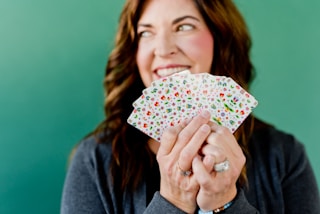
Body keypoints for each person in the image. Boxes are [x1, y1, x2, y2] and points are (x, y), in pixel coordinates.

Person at [60, 0, 320, 213]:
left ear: (220, 37)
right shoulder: (95, 161)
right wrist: (173, 202)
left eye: (184, 27)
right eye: (146, 32)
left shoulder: (284, 156)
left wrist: (226, 203)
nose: (162, 49)